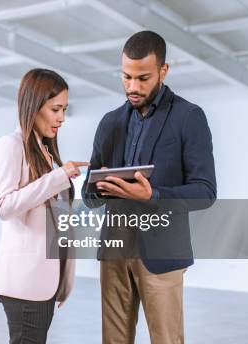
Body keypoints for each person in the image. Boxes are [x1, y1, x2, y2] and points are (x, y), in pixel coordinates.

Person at [81, 31, 217, 344]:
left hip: (162, 252)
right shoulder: (109, 122)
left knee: (166, 339)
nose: (133, 87)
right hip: (115, 249)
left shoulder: (189, 117)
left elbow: (205, 191)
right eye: (126, 77)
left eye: (143, 78)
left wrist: (153, 195)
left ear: (163, 71)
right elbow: (89, 197)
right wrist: (101, 188)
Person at [0, 68, 88, 343]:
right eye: (56, 108)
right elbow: (4, 206)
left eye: (65, 109)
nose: (62, 118)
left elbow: (47, 213)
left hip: (44, 280)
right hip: (24, 282)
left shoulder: (44, 152)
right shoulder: (10, 145)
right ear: (34, 105)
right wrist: (58, 177)